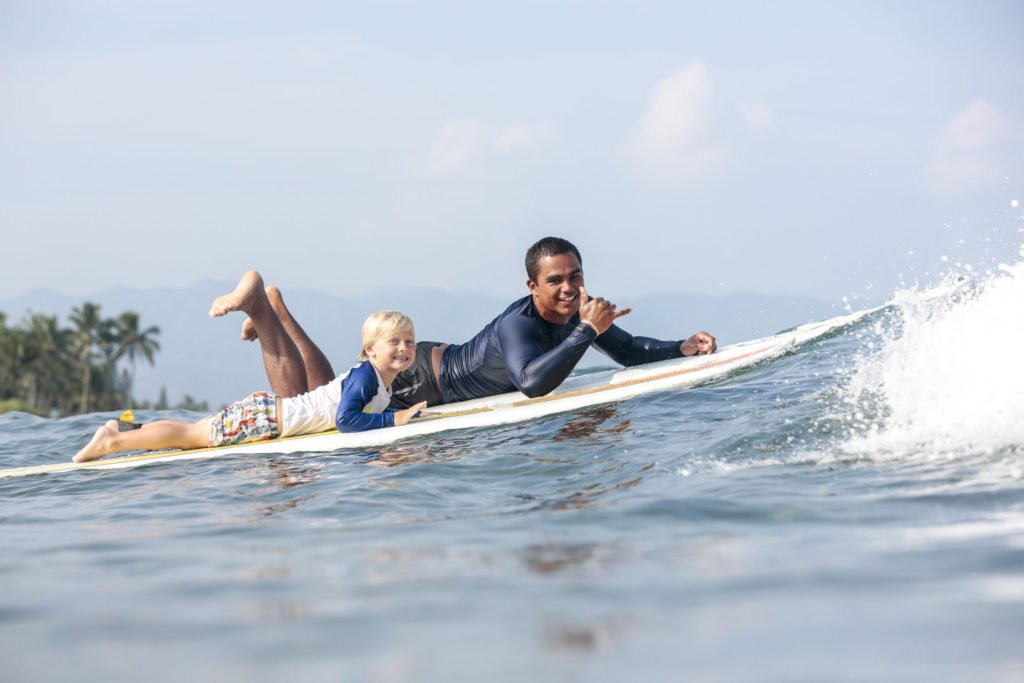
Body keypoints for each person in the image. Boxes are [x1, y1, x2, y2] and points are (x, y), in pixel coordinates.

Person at [73, 271, 425, 462]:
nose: (404, 348)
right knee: (191, 437)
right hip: (266, 419)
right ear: (369, 350)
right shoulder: (366, 377)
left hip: (270, 414)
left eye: (408, 342)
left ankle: (124, 429)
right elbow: (346, 421)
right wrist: (395, 420)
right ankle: (111, 442)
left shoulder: (379, 381)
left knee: (192, 430)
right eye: (393, 342)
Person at [390, 236, 716, 409]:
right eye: (555, 280)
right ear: (532, 287)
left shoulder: (579, 311)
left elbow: (628, 350)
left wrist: (681, 347)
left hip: (440, 361)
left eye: (576, 277)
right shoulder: (516, 324)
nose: (568, 288)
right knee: (344, 401)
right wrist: (587, 330)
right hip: (419, 377)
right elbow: (531, 385)